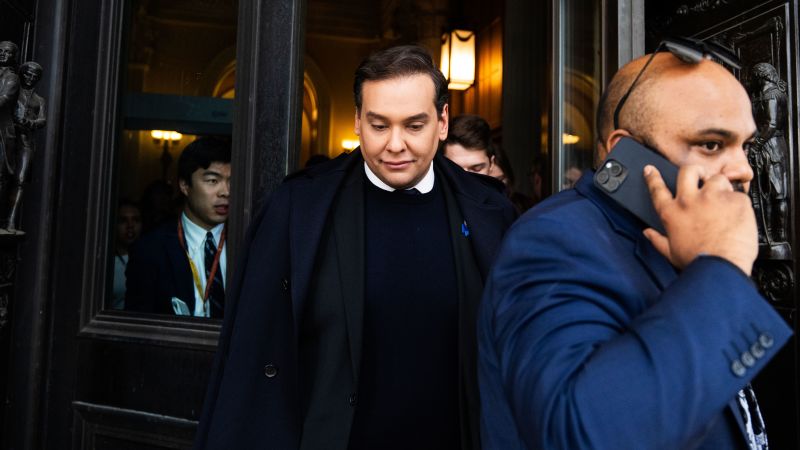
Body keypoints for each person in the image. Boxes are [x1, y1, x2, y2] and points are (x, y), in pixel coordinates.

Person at [195, 45, 516, 450]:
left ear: (442, 122)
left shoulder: (490, 212)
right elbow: (253, 359)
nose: (395, 144)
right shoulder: (299, 211)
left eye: (414, 126)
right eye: (379, 125)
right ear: (358, 122)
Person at [478, 49, 792, 449]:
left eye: (745, 145)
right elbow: (579, 435)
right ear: (623, 152)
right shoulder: (554, 240)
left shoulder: (683, 234)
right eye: (712, 144)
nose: (744, 170)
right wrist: (721, 267)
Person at [126, 137, 231, 318]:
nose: (225, 192)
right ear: (184, 185)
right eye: (213, 181)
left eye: (231, 181)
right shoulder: (151, 249)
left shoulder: (250, 244)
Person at [8, 61, 46, 230]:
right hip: (9, 137)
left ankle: (11, 219)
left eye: (34, 76)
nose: (30, 78)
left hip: (26, 141)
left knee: (21, 179)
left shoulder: (39, 100)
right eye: (27, 74)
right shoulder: (13, 91)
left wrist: (29, 122)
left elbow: (42, 120)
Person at [111, 199, 142, 310]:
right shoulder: (104, 262)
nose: (130, 225)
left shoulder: (150, 258)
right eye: (123, 220)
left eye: (135, 220)